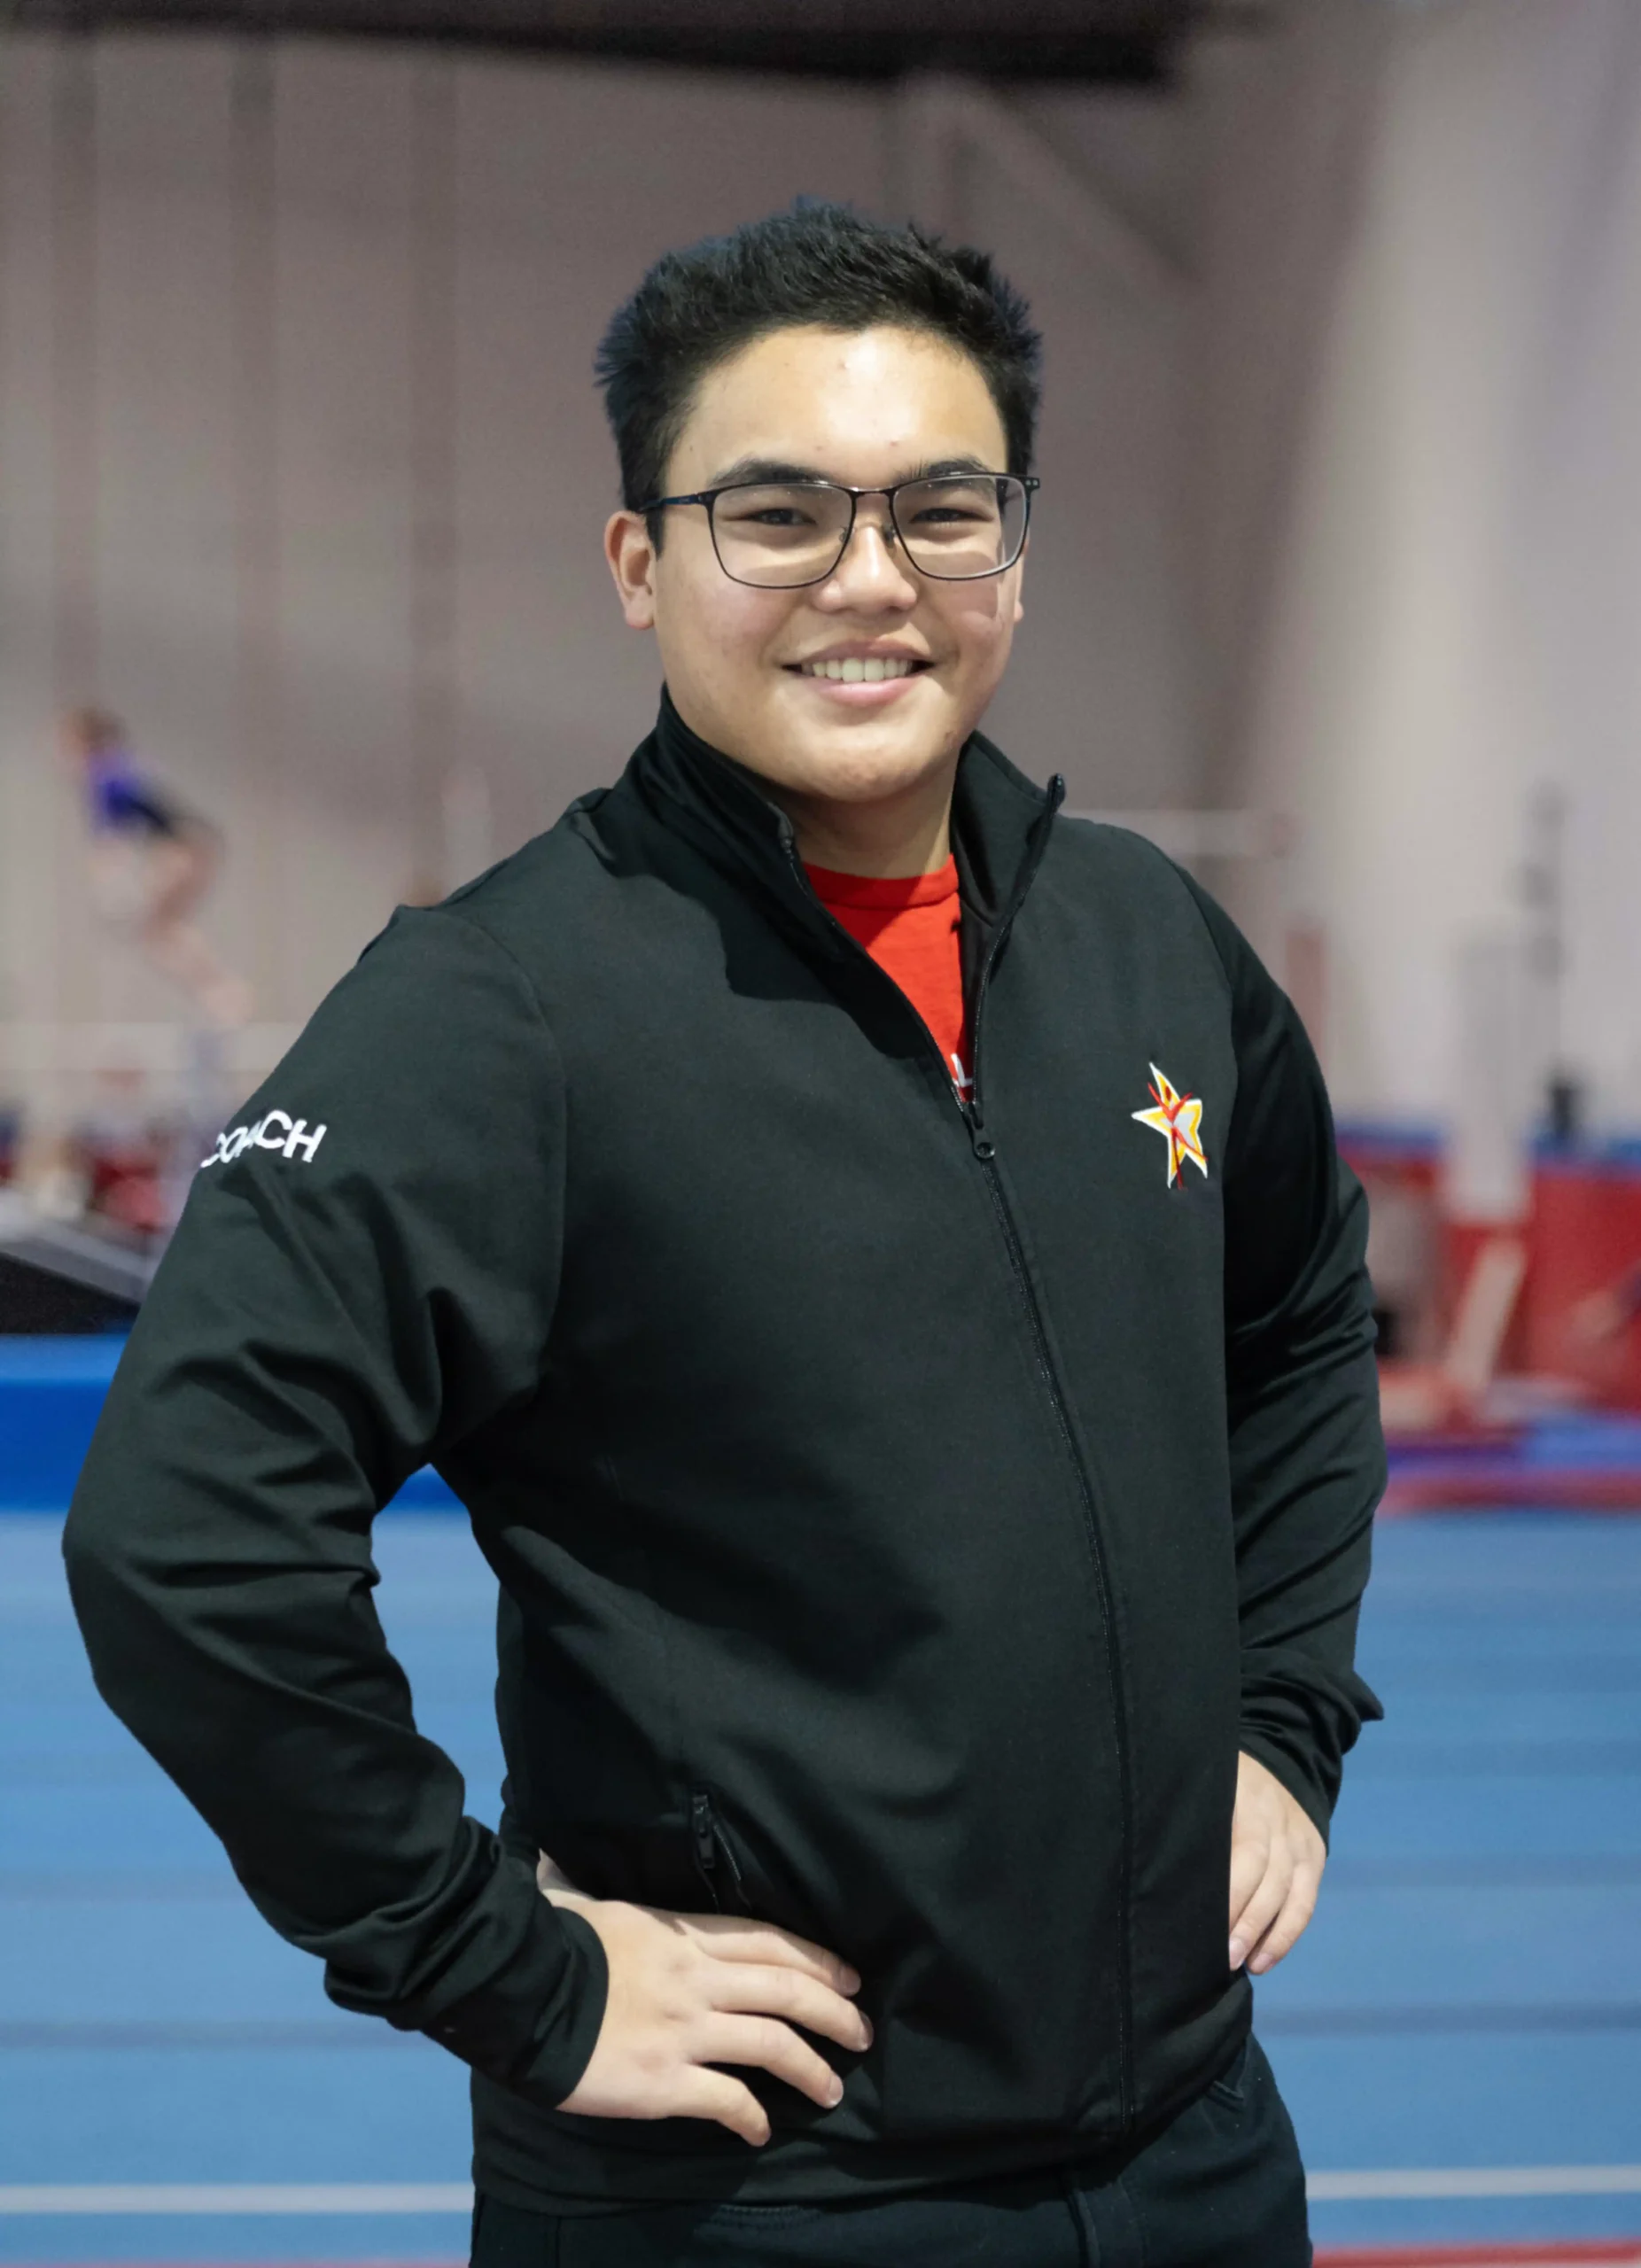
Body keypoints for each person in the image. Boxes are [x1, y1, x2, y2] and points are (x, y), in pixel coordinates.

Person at [64, 206, 1385, 2267]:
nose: (868, 578)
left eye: (940, 510)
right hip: (761, 2188)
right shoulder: (493, 1011)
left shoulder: (1145, 940)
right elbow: (183, 1530)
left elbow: (1300, 1313)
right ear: (637, 561)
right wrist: (503, 1963)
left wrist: (1282, 1712)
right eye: (776, 511)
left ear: (1011, 553)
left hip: (1193, 2145)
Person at [61, 704, 252, 1029]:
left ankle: (221, 992)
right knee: (161, 930)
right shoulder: (121, 765)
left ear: (82, 742)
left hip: (182, 844)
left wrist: (107, 891)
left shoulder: (103, 774)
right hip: (189, 841)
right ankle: (218, 991)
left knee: (156, 930)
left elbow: (108, 844)